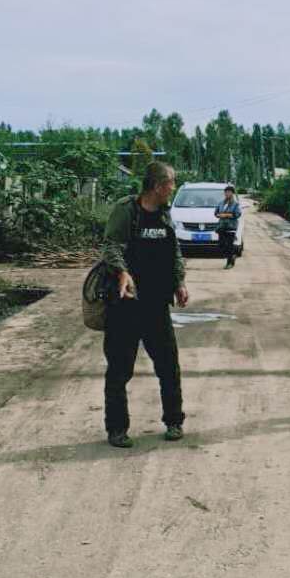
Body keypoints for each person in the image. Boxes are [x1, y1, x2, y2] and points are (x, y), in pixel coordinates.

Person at [101, 161, 190, 448]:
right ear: (157, 186)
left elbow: (174, 250)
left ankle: (174, 421)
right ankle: (117, 429)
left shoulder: (165, 215)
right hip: (125, 306)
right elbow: (111, 245)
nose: (173, 187)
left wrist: (179, 282)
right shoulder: (127, 210)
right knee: (119, 369)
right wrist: (123, 272)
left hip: (157, 305)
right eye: (171, 182)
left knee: (168, 366)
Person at [214, 185, 242, 269]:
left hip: (231, 227)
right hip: (221, 226)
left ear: (232, 193)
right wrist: (219, 215)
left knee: (229, 245)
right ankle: (232, 255)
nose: (227, 194)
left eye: (229, 192)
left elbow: (238, 214)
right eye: (226, 192)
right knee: (221, 245)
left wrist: (227, 215)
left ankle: (229, 263)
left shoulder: (235, 204)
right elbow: (216, 213)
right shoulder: (221, 203)